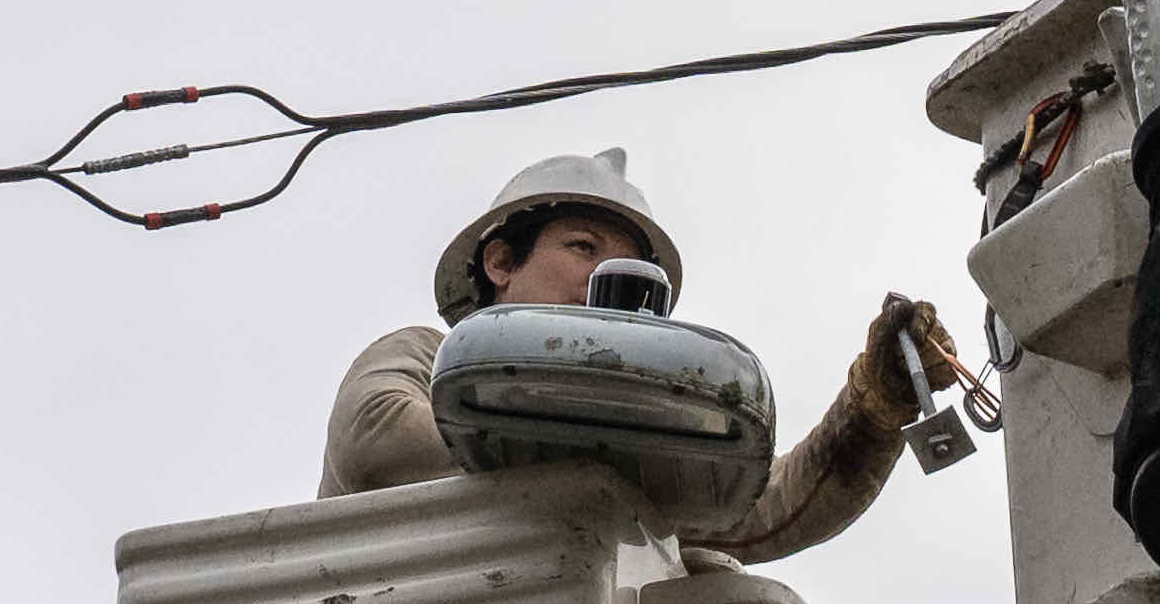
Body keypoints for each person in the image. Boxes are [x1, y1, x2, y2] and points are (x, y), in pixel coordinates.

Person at [318, 148, 936, 563]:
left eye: (625, 269)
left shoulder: (642, 447)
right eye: (582, 246)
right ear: (501, 262)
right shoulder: (424, 358)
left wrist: (872, 411)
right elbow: (375, 438)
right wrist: (607, 452)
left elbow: (764, 509)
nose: (603, 276)